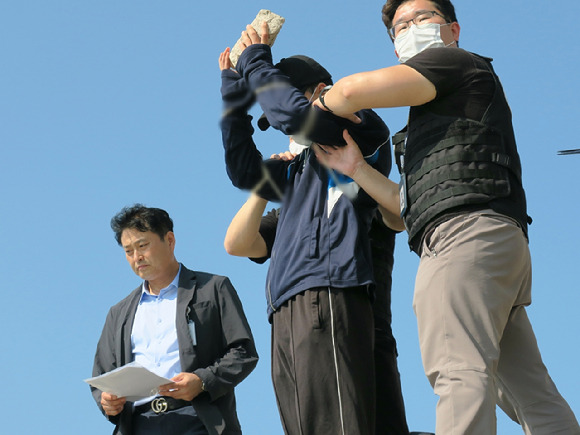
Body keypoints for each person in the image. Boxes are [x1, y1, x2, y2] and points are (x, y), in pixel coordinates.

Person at [311, 1, 580, 434]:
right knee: (528, 391)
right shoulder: (436, 112)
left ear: (452, 30)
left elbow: (349, 92)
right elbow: (404, 213)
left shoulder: (453, 63)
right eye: (401, 26)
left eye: (423, 19)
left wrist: (314, 106)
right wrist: (357, 169)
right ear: (395, 46)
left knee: (458, 371)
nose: (412, 28)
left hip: (463, 238)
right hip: (490, 241)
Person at [218, 23, 393, 435]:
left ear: (319, 91)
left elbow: (290, 114)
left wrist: (254, 58)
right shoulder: (299, 170)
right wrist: (233, 89)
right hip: (285, 305)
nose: (280, 127)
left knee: (338, 425)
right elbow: (243, 171)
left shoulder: (358, 125)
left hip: (329, 291)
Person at [90, 204, 258, 435]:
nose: (137, 257)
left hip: (198, 420)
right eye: (129, 251)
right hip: (139, 425)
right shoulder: (118, 313)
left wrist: (202, 381)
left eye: (143, 245)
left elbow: (242, 352)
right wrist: (107, 401)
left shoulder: (213, 289)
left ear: (169, 240)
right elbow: (102, 376)